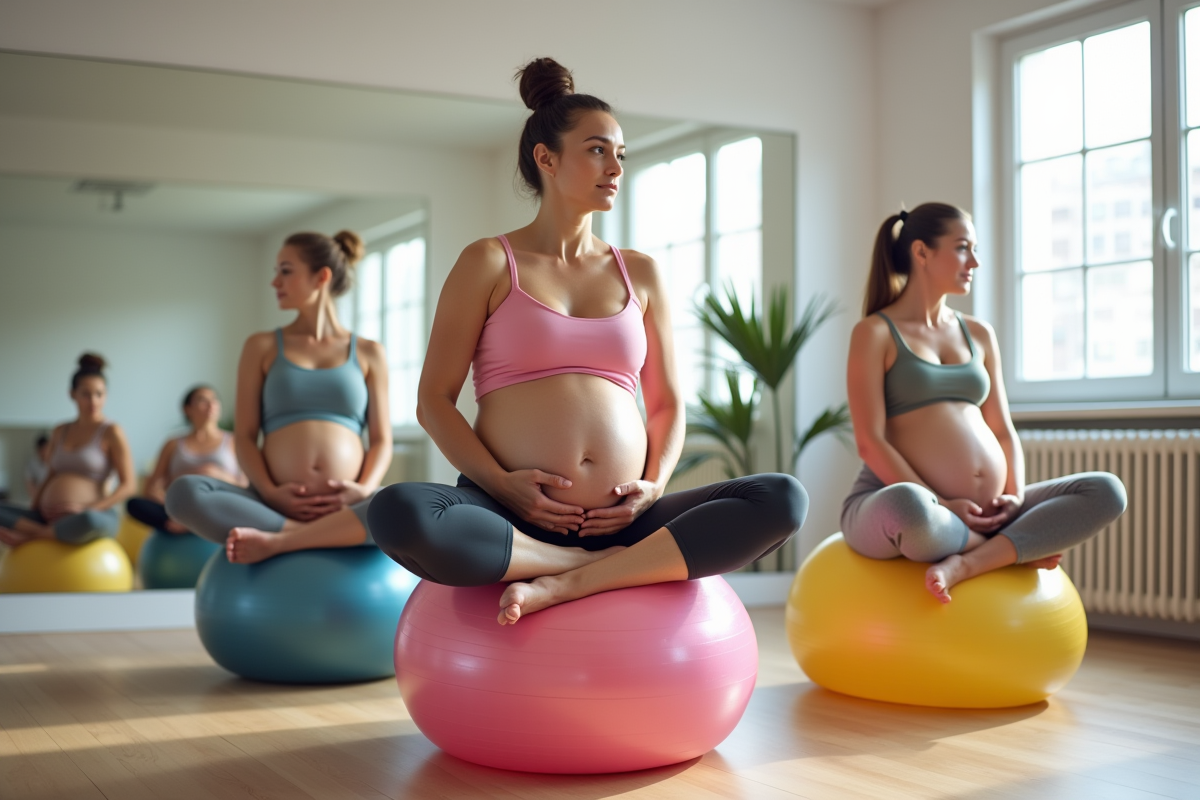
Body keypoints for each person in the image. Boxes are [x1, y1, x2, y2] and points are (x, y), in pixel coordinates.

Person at [368, 58, 808, 627]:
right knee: (401, 512)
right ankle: (567, 562)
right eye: (598, 150)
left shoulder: (640, 273)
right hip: (509, 513)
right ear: (546, 158)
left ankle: (575, 579)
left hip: (624, 518)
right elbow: (434, 400)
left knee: (781, 498)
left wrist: (653, 488)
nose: (615, 167)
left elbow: (668, 402)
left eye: (621, 154)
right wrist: (504, 485)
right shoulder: (488, 261)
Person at [843, 202, 1127, 603]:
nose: (974, 261)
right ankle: (1011, 550)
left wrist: (1014, 496)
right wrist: (940, 503)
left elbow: (1002, 430)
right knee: (910, 510)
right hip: (906, 508)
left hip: (987, 512)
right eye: (962, 247)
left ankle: (968, 560)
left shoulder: (978, 333)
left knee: (1106, 490)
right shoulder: (874, 333)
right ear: (921, 252)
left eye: (974, 249)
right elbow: (870, 441)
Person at [166, 230, 391, 563]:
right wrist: (271, 493)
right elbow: (243, 436)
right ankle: (316, 534)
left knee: (401, 505)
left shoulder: (370, 352)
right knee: (183, 494)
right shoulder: (262, 346)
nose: (275, 282)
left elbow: (381, 441)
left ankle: (281, 541)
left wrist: (365, 490)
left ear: (321, 277)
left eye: (285, 270)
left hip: (349, 502)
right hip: (271, 505)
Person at [0, 354, 137, 546]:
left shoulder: (112, 431)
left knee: (90, 521)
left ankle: (29, 538)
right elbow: (51, 473)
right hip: (49, 517)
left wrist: (88, 508)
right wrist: (36, 507)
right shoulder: (60, 430)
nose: (93, 401)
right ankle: (43, 532)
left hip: (93, 515)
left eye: (99, 394)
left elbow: (129, 485)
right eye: (86, 394)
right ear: (72, 394)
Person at [126, 385, 244, 533]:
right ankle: (189, 523)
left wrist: (214, 474)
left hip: (220, 506)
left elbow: (245, 485)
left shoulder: (233, 441)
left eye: (214, 400)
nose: (211, 404)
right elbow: (151, 488)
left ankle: (193, 524)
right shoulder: (173, 444)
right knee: (134, 505)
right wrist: (174, 508)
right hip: (181, 507)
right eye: (202, 400)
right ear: (187, 409)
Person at [23, 433, 51, 500]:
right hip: (39, 497)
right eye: (42, 450)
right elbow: (29, 483)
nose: (44, 453)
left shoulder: (56, 462)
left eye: (46, 449)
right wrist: (37, 499)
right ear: (38, 450)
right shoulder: (32, 464)